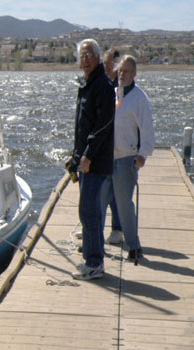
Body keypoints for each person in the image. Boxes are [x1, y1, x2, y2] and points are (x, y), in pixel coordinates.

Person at [66, 39, 115, 280]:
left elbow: (103, 124)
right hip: (85, 161)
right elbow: (82, 126)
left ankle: (94, 263)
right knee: (91, 211)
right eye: (81, 56)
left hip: (95, 162)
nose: (84, 60)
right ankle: (93, 260)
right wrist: (76, 156)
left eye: (88, 55)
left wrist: (87, 154)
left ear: (97, 58)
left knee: (88, 212)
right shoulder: (88, 85)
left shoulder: (102, 86)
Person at [101, 55, 155, 260]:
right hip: (107, 157)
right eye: (120, 70)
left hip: (127, 158)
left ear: (134, 74)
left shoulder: (139, 98)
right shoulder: (114, 93)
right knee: (99, 201)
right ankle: (95, 244)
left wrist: (143, 155)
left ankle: (133, 246)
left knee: (124, 204)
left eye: (126, 71)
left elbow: (147, 129)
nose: (122, 74)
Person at [102, 48, 124, 244]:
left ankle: (118, 228)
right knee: (100, 192)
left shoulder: (123, 89)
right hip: (103, 148)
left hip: (120, 150)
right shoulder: (104, 85)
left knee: (117, 193)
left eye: (110, 63)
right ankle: (93, 227)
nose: (106, 67)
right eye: (105, 63)